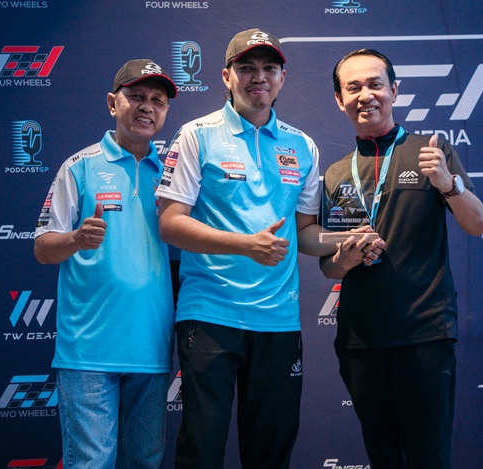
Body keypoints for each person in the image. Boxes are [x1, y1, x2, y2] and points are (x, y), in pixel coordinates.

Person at [156, 28, 367, 468]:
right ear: (226, 76)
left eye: (269, 68)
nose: (259, 77)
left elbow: (304, 233)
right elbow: (170, 224)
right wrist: (245, 245)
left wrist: (347, 240)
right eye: (247, 68)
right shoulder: (196, 135)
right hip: (209, 314)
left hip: (278, 320)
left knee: (270, 454)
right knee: (202, 451)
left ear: (282, 78)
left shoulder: (302, 145)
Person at [319, 48, 483, 468]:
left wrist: (448, 184)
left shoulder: (431, 150)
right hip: (361, 342)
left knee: (429, 458)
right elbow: (328, 265)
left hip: (424, 334)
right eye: (353, 88)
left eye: (375, 84)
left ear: (394, 90)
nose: (365, 95)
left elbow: (479, 224)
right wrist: (347, 259)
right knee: (384, 458)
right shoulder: (336, 174)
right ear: (340, 99)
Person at [34, 59, 178, 469]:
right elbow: (43, 248)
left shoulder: (175, 173)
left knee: (145, 462)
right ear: (113, 103)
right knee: (91, 463)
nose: (147, 106)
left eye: (157, 100)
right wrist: (77, 239)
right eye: (136, 96)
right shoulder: (78, 167)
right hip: (88, 352)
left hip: (151, 348)